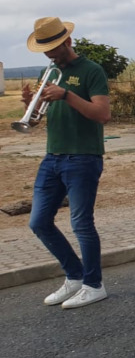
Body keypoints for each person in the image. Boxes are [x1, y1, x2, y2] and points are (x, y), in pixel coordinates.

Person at [23, 17, 112, 309]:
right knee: (38, 222)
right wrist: (30, 106)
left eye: (53, 48)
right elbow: (38, 118)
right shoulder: (49, 71)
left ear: (68, 42)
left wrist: (67, 95)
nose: (48, 54)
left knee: (81, 224)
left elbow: (102, 114)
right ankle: (74, 276)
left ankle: (94, 284)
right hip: (53, 156)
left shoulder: (91, 70)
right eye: (44, 49)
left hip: (83, 156)